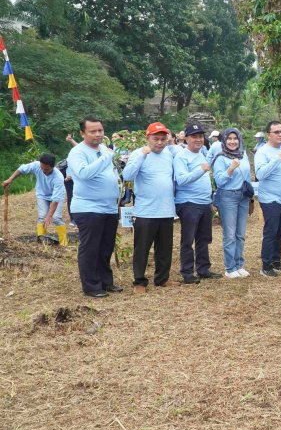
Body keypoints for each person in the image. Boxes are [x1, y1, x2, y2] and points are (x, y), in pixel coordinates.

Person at [66, 117, 123, 298]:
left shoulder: (104, 150)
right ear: (83, 133)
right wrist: (107, 157)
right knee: (90, 247)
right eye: (93, 131)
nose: (98, 134)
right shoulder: (77, 152)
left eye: (100, 130)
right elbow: (83, 174)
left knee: (106, 247)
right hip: (88, 208)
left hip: (109, 208)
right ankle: (91, 286)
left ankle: (106, 282)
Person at [122, 122, 178, 293]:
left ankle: (162, 278)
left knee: (164, 248)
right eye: (156, 139)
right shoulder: (139, 154)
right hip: (146, 211)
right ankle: (139, 281)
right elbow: (127, 175)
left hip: (166, 210)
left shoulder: (169, 154)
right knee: (142, 249)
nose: (160, 143)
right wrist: (142, 156)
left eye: (163, 139)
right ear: (148, 138)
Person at [173, 121, 220, 284]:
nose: (198, 139)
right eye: (194, 137)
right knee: (188, 239)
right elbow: (182, 180)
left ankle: (203, 269)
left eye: (200, 136)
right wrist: (201, 170)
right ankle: (187, 272)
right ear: (186, 138)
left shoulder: (202, 154)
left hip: (204, 203)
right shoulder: (181, 157)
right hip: (188, 203)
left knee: (204, 238)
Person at [255, 120, 281, 277]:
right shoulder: (263, 152)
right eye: (276, 132)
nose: (280, 134)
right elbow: (260, 174)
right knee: (271, 232)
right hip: (270, 200)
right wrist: (276, 160)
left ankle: (276, 260)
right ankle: (266, 265)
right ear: (268, 135)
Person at [213, 128, 252, 279]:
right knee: (230, 234)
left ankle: (239, 264)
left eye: (235, 138)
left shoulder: (243, 155)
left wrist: (251, 199)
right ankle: (230, 268)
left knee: (240, 234)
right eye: (229, 138)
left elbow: (248, 178)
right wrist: (230, 169)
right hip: (227, 196)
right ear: (224, 141)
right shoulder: (220, 157)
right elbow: (219, 181)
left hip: (243, 196)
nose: (232, 141)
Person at [3, 153, 68, 245]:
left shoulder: (58, 177)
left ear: (52, 167)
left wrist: (49, 215)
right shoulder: (37, 165)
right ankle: (41, 241)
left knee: (56, 217)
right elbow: (22, 169)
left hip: (57, 197)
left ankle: (63, 242)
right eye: (42, 168)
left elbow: (56, 199)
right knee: (42, 217)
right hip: (42, 194)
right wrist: (10, 179)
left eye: (46, 169)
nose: (43, 170)